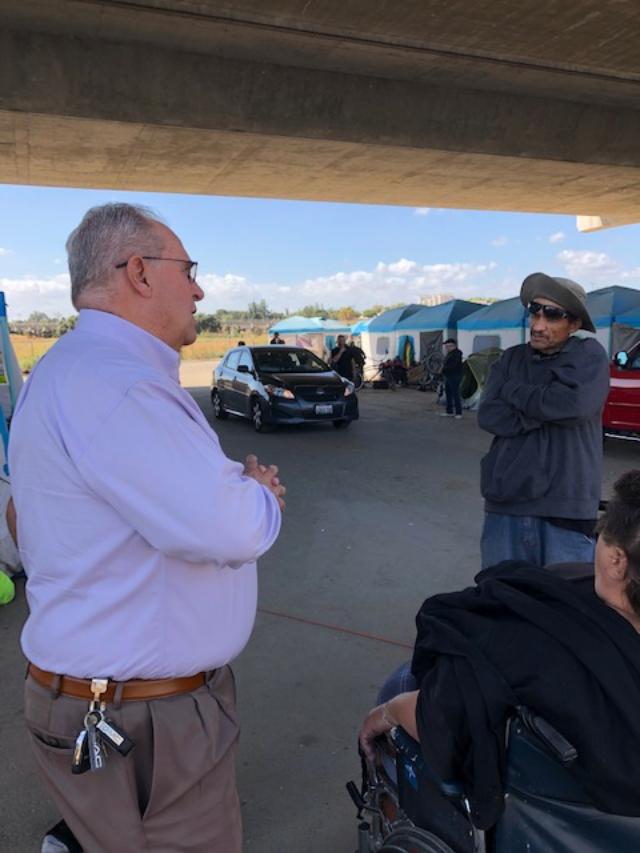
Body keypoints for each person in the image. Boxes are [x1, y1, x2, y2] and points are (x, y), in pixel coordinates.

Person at [8, 203, 286, 853]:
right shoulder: (120, 382)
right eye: (187, 269)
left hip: (98, 701)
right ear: (137, 271)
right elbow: (230, 529)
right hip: (145, 719)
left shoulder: (61, 372)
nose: (198, 288)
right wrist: (260, 493)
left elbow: (22, 516)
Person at [359, 469, 640, 832]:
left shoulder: (536, 648)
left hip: (553, 801)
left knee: (399, 685)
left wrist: (386, 713)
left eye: (601, 532)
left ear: (617, 561)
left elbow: (444, 718)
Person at [477, 272, 609, 568]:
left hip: (566, 508)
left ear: (574, 324)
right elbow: (490, 415)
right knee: (500, 601)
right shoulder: (510, 359)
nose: (538, 325)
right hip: (505, 504)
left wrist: (512, 391)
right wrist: (547, 409)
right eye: (534, 312)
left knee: (563, 609)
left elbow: (573, 405)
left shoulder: (589, 355)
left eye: (552, 316)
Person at [439, 338, 463, 418]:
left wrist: (443, 369)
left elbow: (453, 365)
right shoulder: (449, 353)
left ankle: (458, 413)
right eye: (446, 346)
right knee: (448, 394)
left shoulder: (457, 354)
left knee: (455, 394)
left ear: (453, 346)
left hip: (454, 376)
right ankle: (449, 411)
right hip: (448, 376)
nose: (447, 348)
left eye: (448, 346)